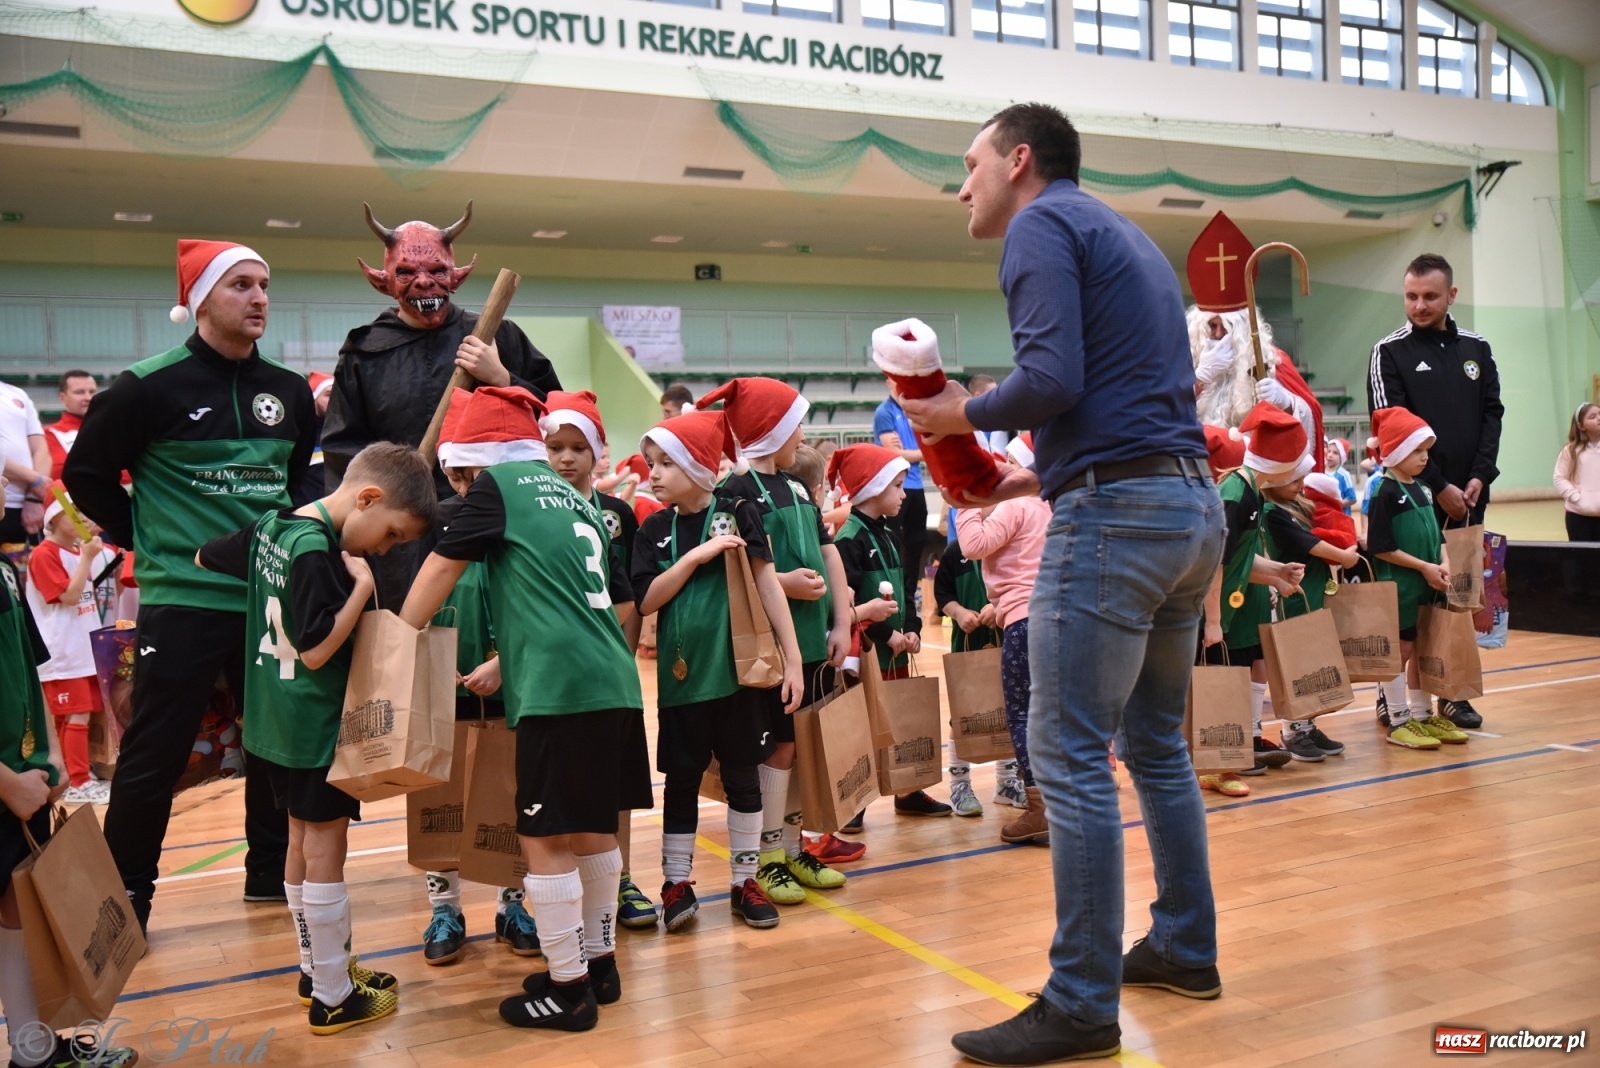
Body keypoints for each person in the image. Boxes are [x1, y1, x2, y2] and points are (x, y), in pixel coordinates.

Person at [897, 102, 1225, 1065]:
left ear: (1020, 161)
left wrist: (964, 414)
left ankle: (1082, 1002)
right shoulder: (1120, 232)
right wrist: (1036, 472)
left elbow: (1051, 377)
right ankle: (1184, 945)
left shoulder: (1040, 225)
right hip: (1185, 510)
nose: (962, 185)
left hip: (1119, 523)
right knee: (1156, 746)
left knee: (1070, 754)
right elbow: (1135, 404)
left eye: (970, 165)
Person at [65, 239, 318, 930]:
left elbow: (304, 485)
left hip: (268, 599)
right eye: (241, 284)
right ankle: (125, 902)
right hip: (184, 599)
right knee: (154, 753)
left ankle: (269, 872)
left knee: (275, 743)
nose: (260, 297)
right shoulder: (145, 387)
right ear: (200, 299)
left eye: (265, 284)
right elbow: (84, 476)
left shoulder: (290, 392)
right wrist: (145, 538)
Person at [399, 386, 648, 1033]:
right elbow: (615, 605)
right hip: (613, 682)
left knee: (542, 836)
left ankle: (567, 991)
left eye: (461, 472)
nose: (459, 485)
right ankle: (598, 966)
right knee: (595, 828)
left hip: (560, 692)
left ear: (479, 460)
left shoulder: (498, 488)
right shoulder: (577, 499)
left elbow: (438, 572)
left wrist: (395, 644)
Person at [197, 441, 436, 1033]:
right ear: (368, 498)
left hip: (271, 721)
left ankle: (316, 968)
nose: (384, 549)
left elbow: (206, 557)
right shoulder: (322, 554)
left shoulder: (274, 526)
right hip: (314, 725)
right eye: (391, 535)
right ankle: (333, 993)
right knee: (326, 848)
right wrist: (359, 587)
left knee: (300, 842)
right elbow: (316, 649)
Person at [320, 202, 561, 607]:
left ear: (456, 275)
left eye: (436, 271)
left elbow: (556, 417)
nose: (424, 283)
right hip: (398, 532)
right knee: (407, 637)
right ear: (382, 281)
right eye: (407, 273)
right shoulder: (364, 351)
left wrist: (503, 378)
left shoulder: (497, 337)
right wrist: (366, 519)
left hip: (492, 517)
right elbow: (343, 448)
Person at [631, 410, 803, 932]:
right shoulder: (655, 529)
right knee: (681, 782)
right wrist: (695, 558)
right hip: (683, 684)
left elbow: (768, 583)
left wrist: (792, 659)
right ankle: (676, 883)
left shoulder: (740, 510)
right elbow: (646, 601)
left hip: (740, 678)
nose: (653, 473)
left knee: (743, 778)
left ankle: (743, 881)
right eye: (650, 463)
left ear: (699, 466)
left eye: (666, 463)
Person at [695, 379, 853, 904]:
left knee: (798, 748)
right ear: (772, 430)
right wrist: (783, 584)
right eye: (795, 424)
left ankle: (789, 849)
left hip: (810, 643)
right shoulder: (733, 492)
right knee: (776, 749)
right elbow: (732, 566)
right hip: (767, 649)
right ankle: (767, 859)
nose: (802, 435)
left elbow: (829, 554)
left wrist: (841, 622)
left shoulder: (800, 488)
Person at [0, 511, 139, 1068]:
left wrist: (51, 759)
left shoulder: (6, 573)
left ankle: (33, 1051)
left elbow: (29, 665)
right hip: (7, 782)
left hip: (22, 775)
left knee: (16, 908)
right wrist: (8, 782)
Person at [415, 390, 542, 967]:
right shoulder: (435, 519)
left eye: (476, 475)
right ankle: (444, 908)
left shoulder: (526, 514)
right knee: (439, 796)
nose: (469, 488)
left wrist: (506, 661)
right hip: (445, 672)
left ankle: (513, 902)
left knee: (511, 795)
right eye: (460, 477)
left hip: (512, 676)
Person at [537, 390, 660, 930]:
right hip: (549, 676)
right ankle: (537, 890)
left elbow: (629, 596)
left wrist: (620, 654)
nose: (566, 458)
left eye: (577, 448)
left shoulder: (615, 515)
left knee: (614, 783)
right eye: (555, 447)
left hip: (608, 670)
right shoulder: (531, 508)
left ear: (598, 453)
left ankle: (624, 877)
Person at [1366, 253, 1502, 730]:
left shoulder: (1476, 349)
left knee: (1458, 599)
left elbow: (1492, 415)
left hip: (1471, 495)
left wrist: (1478, 477)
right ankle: (1393, 697)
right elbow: (1389, 427)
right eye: (1411, 296)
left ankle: (1453, 693)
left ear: (1451, 296)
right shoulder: (1389, 351)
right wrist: (1439, 485)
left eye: (1429, 296)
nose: (1419, 305)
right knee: (1411, 602)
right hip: (1415, 501)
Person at [828, 444, 953, 826]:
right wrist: (887, 635)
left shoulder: (885, 532)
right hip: (868, 655)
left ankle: (907, 788)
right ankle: (855, 803)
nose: (904, 493)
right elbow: (848, 604)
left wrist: (911, 630)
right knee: (866, 726)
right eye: (897, 486)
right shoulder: (849, 538)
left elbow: (904, 588)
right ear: (871, 487)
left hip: (895, 652)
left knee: (898, 721)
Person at [952, 435, 1052, 842]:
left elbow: (973, 545)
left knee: (1024, 716)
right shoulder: (1052, 504)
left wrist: (965, 503)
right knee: (1056, 715)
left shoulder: (1016, 504)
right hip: (1058, 618)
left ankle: (1039, 809)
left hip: (1025, 625)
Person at [1206, 405, 1306, 787]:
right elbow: (1214, 564)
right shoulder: (1236, 494)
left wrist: (1276, 573)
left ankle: (1223, 759)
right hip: (1208, 608)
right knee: (1218, 680)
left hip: (1221, 607)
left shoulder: (1253, 492)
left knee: (1230, 676)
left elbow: (1241, 559)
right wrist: (1213, 621)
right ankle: (1213, 766)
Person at [1366, 408, 1471, 750]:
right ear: (1395, 451)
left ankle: (1424, 716)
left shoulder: (1424, 489)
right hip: (1402, 587)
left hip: (1430, 583)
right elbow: (1381, 547)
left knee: (1425, 647)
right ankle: (1398, 720)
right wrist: (1423, 567)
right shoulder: (1383, 491)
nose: (1424, 457)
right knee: (1402, 648)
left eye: (1426, 450)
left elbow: (1437, 535)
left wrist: (1442, 561)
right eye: (1416, 451)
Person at [1185, 211, 1324, 459]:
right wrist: (1199, 379)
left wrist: (1287, 402)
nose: (1217, 335)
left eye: (1224, 327)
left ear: (1242, 328)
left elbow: (1311, 412)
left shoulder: (1270, 362)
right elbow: (1157, 414)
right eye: (1211, 327)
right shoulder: (1185, 363)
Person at [24, 484, 119, 804]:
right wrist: (87, 558)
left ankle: (80, 777)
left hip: (82, 650)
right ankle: (78, 782)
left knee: (80, 716)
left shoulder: (77, 552)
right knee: (75, 716)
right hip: (62, 652)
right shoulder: (44, 554)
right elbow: (68, 596)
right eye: (73, 510)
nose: (80, 516)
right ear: (53, 517)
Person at [1260, 471, 1359, 762]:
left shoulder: (1295, 506)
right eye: (1293, 480)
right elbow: (1309, 544)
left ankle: (1307, 724)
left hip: (1312, 592)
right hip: (1292, 597)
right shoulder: (1272, 512)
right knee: (1295, 662)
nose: (1301, 486)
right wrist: (1344, 557)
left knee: (1312, 660)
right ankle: (1292, 732)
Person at [871, 394, 929, 617]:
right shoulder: (885, 412)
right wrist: (924, 453)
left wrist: (912, 452)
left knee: (916, 543)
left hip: (916, 485)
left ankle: (909, 598)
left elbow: (926, 442)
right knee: (891, 539)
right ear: (889, 383)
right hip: (894, 483)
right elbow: (894, 452)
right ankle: (889, 595)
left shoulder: (915, 409)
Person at [0, 378, 50, 545]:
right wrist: (34, 479)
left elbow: (41, 449)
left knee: (22, 569)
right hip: (5, 499)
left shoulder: (17, 393)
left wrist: (33, 498)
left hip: (26, 505)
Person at [1554, 402, 1600, 542]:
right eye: (1592, 416)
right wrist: (1576, 498)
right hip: (1577, 516)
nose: (1599, 418)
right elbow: (1560, 478)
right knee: (1582, 561)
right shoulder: (1570, 451)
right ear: (1581, 426)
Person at [42, 371, 98, 481]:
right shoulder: (48, 434)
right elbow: (58, 473)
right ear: (63, 398)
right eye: (79, 392)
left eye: (92, 392)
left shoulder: (111, 430)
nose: (88, 397)